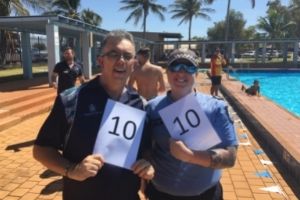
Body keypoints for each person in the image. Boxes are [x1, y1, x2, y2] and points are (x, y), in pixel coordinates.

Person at [33, 30, 154, 200]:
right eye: (113, 54)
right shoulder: (71, 100)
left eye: (127, 56)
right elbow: (41, 150)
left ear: (134, 63)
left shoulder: (140, 104)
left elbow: (146, 149)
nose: (121, 61)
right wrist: (72, 170)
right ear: (101, 61)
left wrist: (148, 164)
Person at [146, 49, 238, 200]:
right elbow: (146, 149)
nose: (181, 73)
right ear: (167, 73)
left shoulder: (215, 108)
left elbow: (230, 157)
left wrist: (191, 156)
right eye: (175, 67)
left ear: (196, 73)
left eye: (189, 68)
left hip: (206, 195)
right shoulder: (152, 108)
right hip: (160, 194)